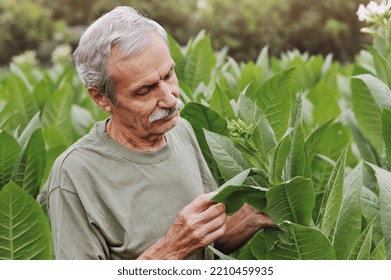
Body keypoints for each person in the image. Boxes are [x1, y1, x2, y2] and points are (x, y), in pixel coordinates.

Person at [44, 6, 274, 260]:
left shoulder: (182, 130)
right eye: (145, 90)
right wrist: (172, 248)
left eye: (168, 75)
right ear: (101, 98)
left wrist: (252, 217)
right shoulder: (74, 174)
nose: (169, 98)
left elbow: (208, 244)